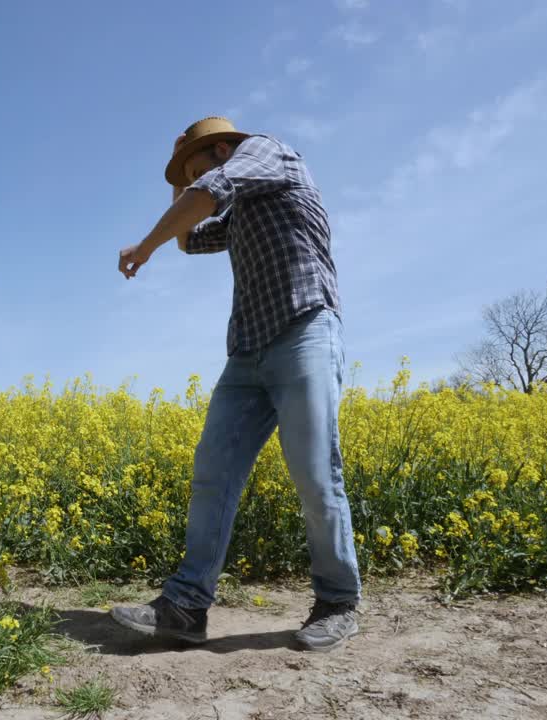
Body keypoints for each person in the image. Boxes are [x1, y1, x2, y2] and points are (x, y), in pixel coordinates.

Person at [111, 116, 361, 652]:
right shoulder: (243, 208)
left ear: (224, 150)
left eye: (200, 166)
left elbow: (208, 194)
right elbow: (191, 240)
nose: (197, 181)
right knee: (213, 476)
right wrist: (179, 174)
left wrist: (143, 246)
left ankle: (338, 600)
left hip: (303, 328)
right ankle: (186, 606)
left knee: (316, 473)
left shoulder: (270, 154)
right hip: (247, 351)